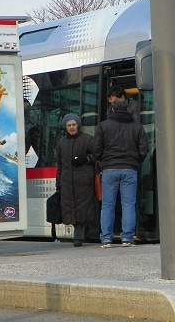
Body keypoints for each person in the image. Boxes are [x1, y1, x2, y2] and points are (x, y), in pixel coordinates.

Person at [93, 98, 149, 248]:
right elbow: (144, 148)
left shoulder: (103, 126)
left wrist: (102, 159)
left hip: (109, 169)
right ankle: (127, 238)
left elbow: (96, 148)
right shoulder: (137, 127)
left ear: (112, 109)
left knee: (107, 205)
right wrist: (136, 160)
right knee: (128, 205)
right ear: (127, 110)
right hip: (130, 169)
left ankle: (106, 239)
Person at [55, 113, 97, 247]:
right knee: (71, 209)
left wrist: (86, 159)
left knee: (83, 209)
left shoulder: (88, 139)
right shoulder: (62, 142)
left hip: (84, 181)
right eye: (69, 125)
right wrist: (59, 183)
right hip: (67, 181)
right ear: (65, 127)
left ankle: (78, 237)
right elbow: (59, 164)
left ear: (78, 125)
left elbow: (97, 156)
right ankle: (80, 234)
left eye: (74, 125)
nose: (72, 127)